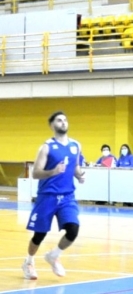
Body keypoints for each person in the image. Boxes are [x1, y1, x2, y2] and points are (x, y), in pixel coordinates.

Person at [22, 111, 86, 280]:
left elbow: (75, 166)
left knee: (73, 230)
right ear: (52, 125)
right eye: (59, 120)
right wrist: (53, 172)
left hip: (67, 196)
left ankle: (54, 255)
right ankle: (29, 262)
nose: (63, 122)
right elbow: (36, 173)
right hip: (48, 196)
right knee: (39, 235)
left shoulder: (76, 145)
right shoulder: (46, 147)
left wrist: (80, 175)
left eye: (65, 119)